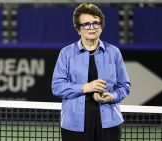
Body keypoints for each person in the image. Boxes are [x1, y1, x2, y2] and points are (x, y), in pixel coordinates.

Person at [51, 3, 130, 141]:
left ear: (101, 26)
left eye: (96, 23)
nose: (92, 27)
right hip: (74, 125)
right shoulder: (66, 53)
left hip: (109, 124)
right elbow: (57, 87)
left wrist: (112, 96)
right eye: (86, 24)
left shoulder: (114, 52)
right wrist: (85, 87)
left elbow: (124, 86)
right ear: (78, 29)